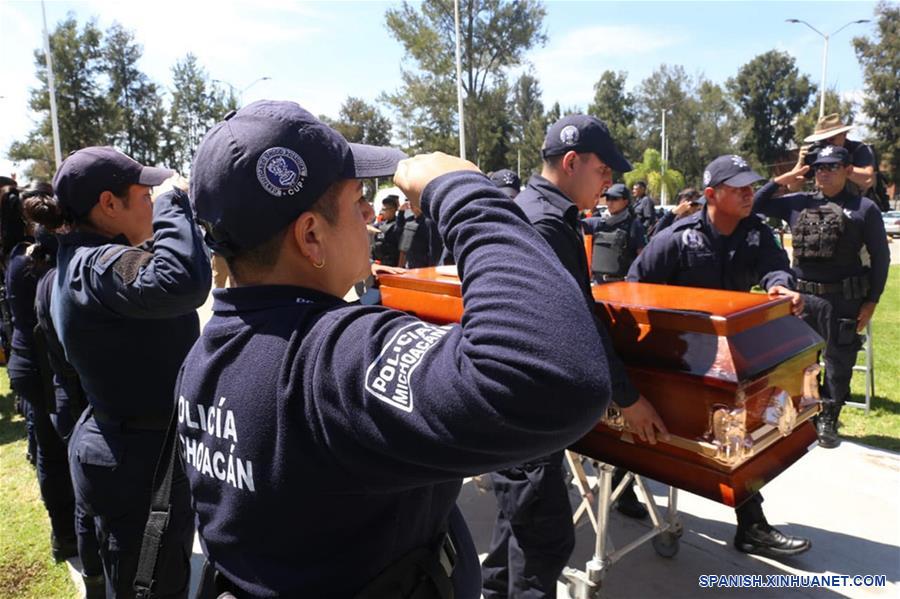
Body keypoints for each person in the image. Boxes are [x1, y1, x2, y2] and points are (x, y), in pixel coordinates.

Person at [180, 99, 613, 598]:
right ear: (311, 236)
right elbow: (555, 378)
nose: (370, 212)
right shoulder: (329, 359)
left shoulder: (207, 353)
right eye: (355, 199)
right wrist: (466, 196)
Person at [481, 114, 668, 599]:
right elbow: (576, 320)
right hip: (528, 405)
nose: (609, 183)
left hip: (512, 399)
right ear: (571, 161)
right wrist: (627, 398)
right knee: (543, 543)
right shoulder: (545, 222)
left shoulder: (530, 209)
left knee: (515, 530)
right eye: (604, 171)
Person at [627, 153, 811, 560]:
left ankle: (751, 526)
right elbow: (634, 288)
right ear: (711, 194)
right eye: (739, 188)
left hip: (730, 357)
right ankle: (624, 487)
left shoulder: (756, 234)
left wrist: (780, 285)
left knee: (738, 438)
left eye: (751, 186)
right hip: (676, 357)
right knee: (649, 429)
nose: (749, 194)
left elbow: (775, 268)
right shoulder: (676, 237)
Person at [48, 146, 210, 598]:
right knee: (153, 584)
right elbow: (181, 281)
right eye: (144, 196)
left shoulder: (78, 260)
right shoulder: (97, 264)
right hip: (137, 460)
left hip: (122, 442)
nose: (150, 204)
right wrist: (173, 203)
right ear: (109, 205)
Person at [754, 145, 890, 449]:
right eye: (818, 168)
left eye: (830, 167)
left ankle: (828, 417)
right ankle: (803, 412)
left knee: (838, 361)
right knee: (797, 360)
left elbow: (881, 257)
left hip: (841, 299)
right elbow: (756, 205)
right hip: (801, 297)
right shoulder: (798, 203)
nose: (823, 173)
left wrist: (872, 301)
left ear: (846, 170)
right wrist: (785, 178)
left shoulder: (863, 209)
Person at [4, 186, 79, 566]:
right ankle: (74, 532)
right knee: (63, 451)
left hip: (29, 364)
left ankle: (63, 535)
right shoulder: (54, 260)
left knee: (50, 453)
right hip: (47, 366)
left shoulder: (18, 257)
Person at [582, 182, 646, 283]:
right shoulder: (598, 223)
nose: (610, 202)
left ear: (625, 202)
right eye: (608, 199)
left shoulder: (634, 225)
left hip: (621, 285)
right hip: (598, 284)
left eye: (615, 199)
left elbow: (642, 258)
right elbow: (570, 222)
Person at [372, 194, 401, 267]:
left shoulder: (398, 225)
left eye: (384, 209)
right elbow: (369, 227)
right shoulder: (381, 224)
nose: (381, 212)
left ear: (392, 210)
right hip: (380, 262)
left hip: (392, 263)